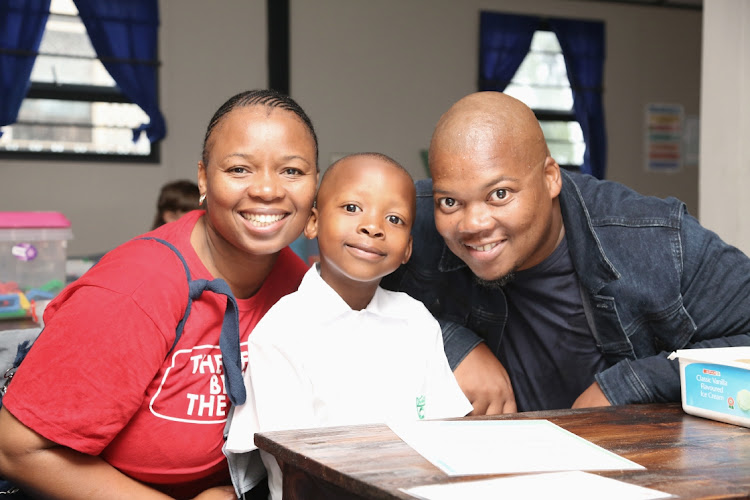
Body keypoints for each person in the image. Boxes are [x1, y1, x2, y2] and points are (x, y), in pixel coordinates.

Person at [0, 89, 320, 500]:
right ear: (203, 178)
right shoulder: (134, 289)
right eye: (240, 169)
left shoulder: (299, 286)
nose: (267, 190)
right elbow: (18, 450)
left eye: (292, 171)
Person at [381, 91, 750, 414]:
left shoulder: (654, 239)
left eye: (500, 194)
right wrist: (450, 344)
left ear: (550, 178)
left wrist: (630, 385)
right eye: (450, 201)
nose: (473, 223)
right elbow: (335, 295)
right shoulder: (409, 221)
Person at [224, 153, 472, 500]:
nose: (373, 227)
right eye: (353, 208)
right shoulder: (282, 331)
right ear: (313, 222)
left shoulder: (416, 321)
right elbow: (299, 466)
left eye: (394, 218)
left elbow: (445, 434)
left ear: (408, 250)